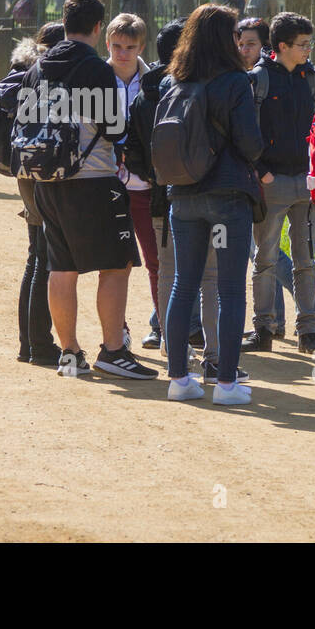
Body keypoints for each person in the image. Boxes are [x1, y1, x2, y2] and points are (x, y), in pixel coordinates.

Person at [18, 0, 155, 379]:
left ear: (64, 22)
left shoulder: (38, 67)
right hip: (93, 178)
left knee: (61, 267)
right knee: (117, 263)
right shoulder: (96, 69)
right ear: (98, 28)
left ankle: (69, 353)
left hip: (46, 180)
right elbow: (114, 128)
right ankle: (113, 350)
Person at [161, 4, 263, 404]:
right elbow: (250, 144)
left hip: (182, 196)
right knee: (229, 289)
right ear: (226, 38)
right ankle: (225, 384)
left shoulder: (174, 82)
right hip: (226, 198)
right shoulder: (236, 83)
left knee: (183, 285)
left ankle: (178, 380)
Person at [124, 20, 222, 371]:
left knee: (166, 271)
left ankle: (170, 342)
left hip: (158, 194)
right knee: (208, 275)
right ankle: (214, 353)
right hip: (199, 192)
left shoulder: (144, 93)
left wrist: (152, 175)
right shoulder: (198, 89)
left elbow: (131, 146)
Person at [242, 12, 315, 355]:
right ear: (281, 46)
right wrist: (262, 171)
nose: (308, 50)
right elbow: (245, 130)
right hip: (271, 184)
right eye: (302, 44)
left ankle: (308, 331)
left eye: (309, 43)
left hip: (308, 183)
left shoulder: (311, 77)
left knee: (306, 260)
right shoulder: (257, 80)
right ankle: (263, 327)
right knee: (264, 258)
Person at [0, 22, 64, 366]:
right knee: (44, 258)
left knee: (35, 255)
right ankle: (39, 343)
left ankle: (29, 343)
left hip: (23, 165)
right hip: (43, 168)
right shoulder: (43, 74)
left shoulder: (20, 70)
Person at [105, 13, 152, 345]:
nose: (122, 53)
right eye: (117, 46)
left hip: (145, 184)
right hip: (105, 183)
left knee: (158, 261)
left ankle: (163, 327)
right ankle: (117, 330)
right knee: (113, 261)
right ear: (107, 43)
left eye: (130, 46)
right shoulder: (93, 78)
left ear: (141, 46)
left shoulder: (155, 83)